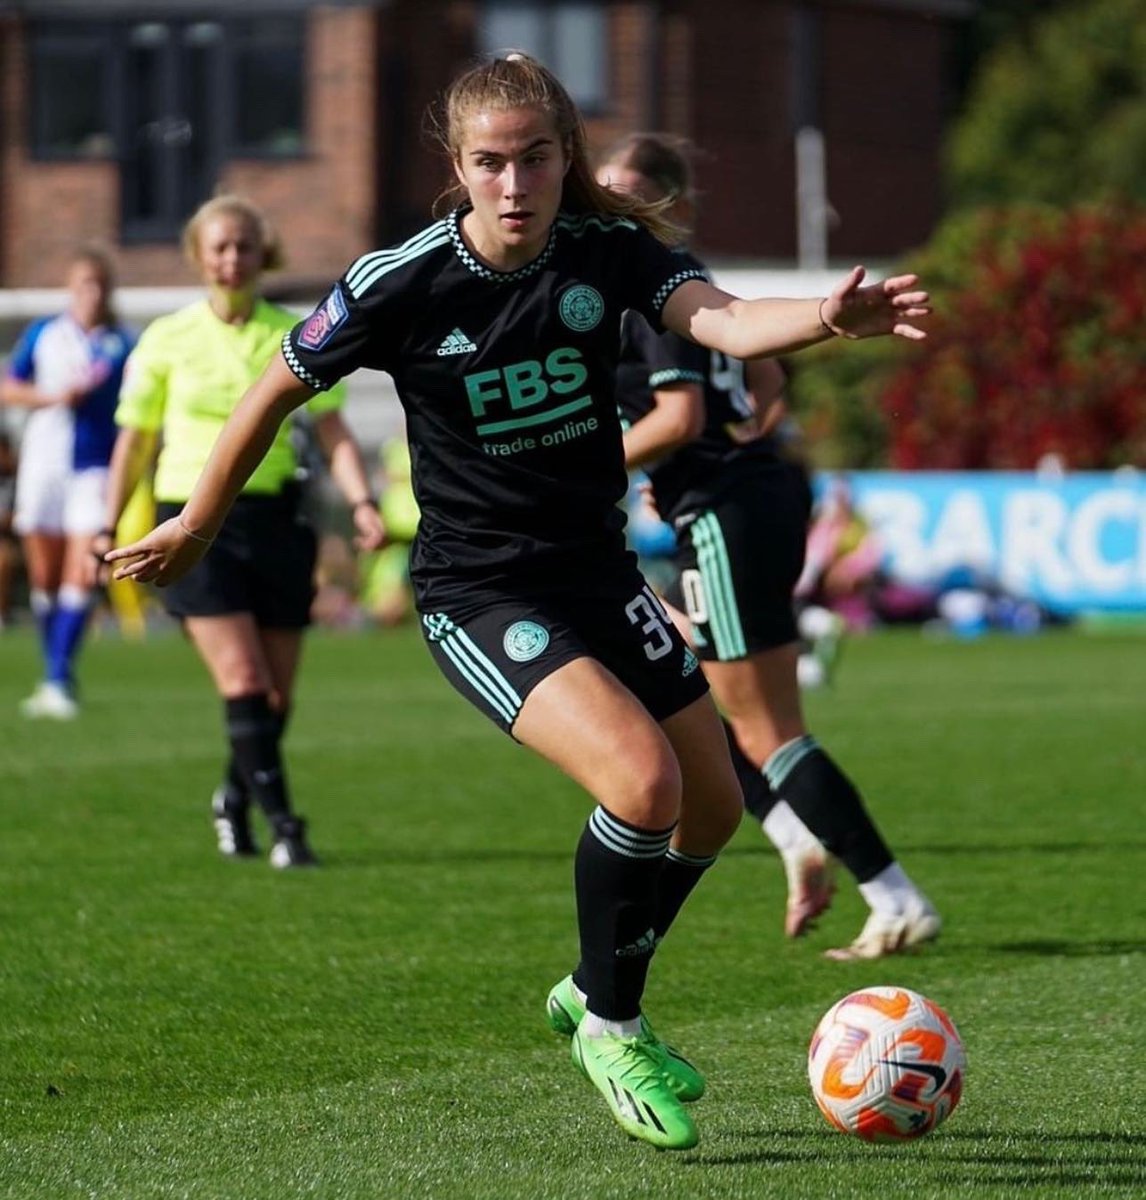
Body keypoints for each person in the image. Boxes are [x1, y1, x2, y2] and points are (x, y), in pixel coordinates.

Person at [107, 55, 930, 1150]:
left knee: (716, 808)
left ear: (564, 160)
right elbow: (273, 391)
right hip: (480, 592)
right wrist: (195, 521)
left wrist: (826, 314)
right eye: (489, 161)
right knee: (641, 784)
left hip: (595, 575)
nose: (513, 183)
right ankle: (612, 1018)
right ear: (458, 166)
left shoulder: (608, 252)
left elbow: (725, 322)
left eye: (535, 157)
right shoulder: (402, 280)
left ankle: (593, 987)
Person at [599, 132, 940, 961]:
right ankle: (798, 838)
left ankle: (890, 894)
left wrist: (635, 462)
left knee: (762, 728)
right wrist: (737, 441)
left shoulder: (644, 283)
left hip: (721, 512)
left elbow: (677, 415)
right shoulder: (693, 282)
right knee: (701, 702)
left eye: (624, 196)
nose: (606, 209)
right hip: (749, 494)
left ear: (668, 206)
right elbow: (767, 376)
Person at [98, 194, 385, 869]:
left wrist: (363, 501)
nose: (231, 259)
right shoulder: (166, 337)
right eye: (219, 247)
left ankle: (233, 797)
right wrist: (106, 524)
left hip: (278, 519)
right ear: (199, 256)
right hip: (193, 525)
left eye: (244, 247)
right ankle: (288, 827)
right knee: (244, 677)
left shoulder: (296, 332)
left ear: (264, 256)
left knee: (277, 694)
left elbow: (335, 430)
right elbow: (134, 442)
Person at [0, 247, 135, 717]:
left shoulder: (123, 343)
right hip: (42, 464)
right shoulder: (44, 334)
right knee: (45, 577)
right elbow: (8, 387)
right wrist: (52, 396)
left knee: (83, 571)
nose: (91, 294)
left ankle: (58, 677)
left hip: (94, 467)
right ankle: (54, 672)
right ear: (70, 289)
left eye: (99, 284)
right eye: (83, 284)